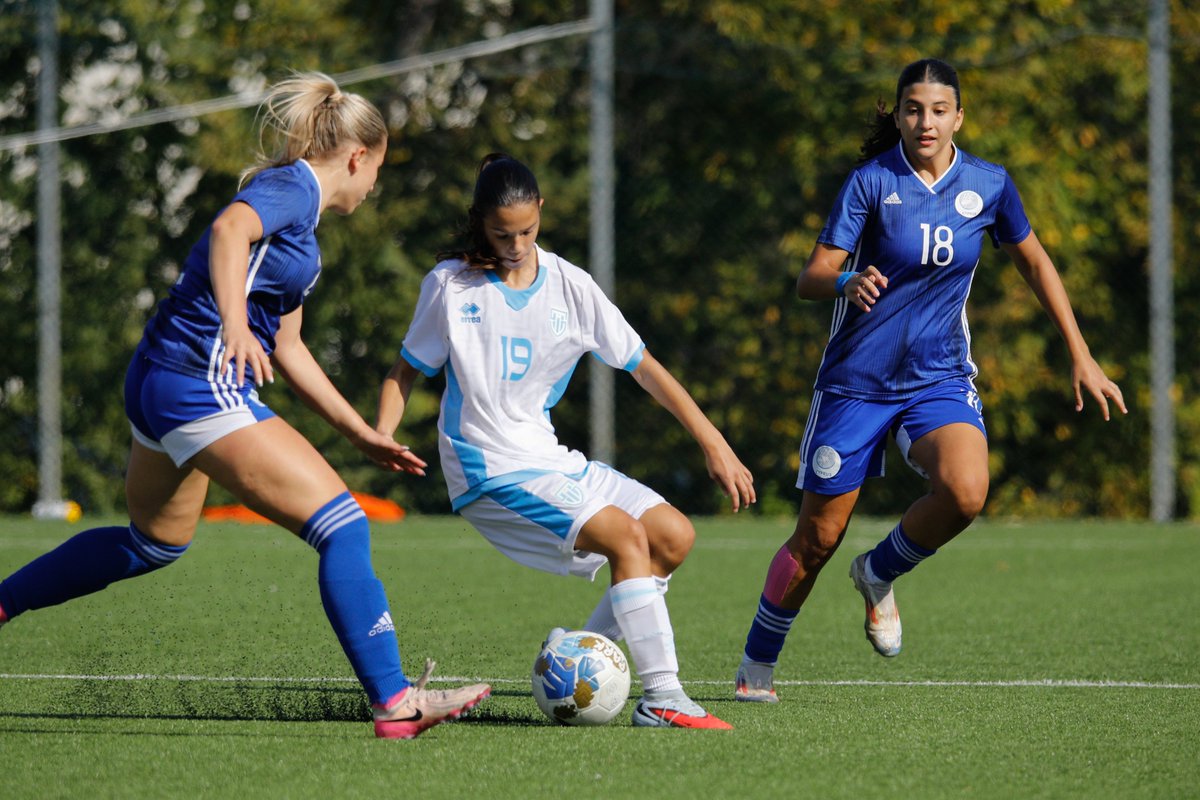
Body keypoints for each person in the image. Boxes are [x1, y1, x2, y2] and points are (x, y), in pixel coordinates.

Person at [0, 72, 489, 738]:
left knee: (154, 543)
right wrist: (233, 324)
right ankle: (394, 702)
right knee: (344, 527)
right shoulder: (291, 186)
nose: (375, 185)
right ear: (357, 157)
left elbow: (288, 347)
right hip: (198, 379)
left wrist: (356, 431)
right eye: (378, 169)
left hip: (161, 379)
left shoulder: (304, 230)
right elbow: (230, 230)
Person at [734, 58, 1127, 702]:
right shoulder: (869, 182)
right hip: (855, 384)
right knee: (816, 538)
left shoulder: (989, 185)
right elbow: (811, 277)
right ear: (898, 114)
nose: (926, 121)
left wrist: (1080, 353)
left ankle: (879, 572)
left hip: (937, 378)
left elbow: (1035, 262)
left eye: (939, 110)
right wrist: (845, 280)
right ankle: (757, 666)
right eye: (913, 109)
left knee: (967, 491)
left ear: (958, 117)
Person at [377, 153, 756, 729]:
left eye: (527, 230)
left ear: (542, 213)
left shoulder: (571, 286)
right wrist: (380, 434)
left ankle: (573, 649)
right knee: (627, 539)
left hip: (548, 457)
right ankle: (662, 697)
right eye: (502, 233)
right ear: (480, 221)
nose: (515, 244)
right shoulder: (450, 286)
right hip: (489, 467)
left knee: (672, 536)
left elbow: (644, 366)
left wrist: (714, 442)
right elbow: (405, 370)